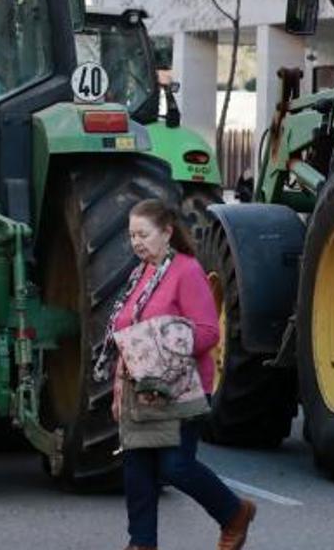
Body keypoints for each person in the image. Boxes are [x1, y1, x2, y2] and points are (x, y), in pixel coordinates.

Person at [96, 199, 256, 550]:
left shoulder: (187, 271)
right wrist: (119, 389)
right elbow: (128, 332)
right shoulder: (140, 274)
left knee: (175, 467)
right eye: (132, 235)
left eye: (143, 234)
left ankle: (234, 514)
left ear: (167, 232)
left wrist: (162, 342)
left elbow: (208, 332)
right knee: (137, 470)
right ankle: (141, 543)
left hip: (182, 389)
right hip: (140, 389)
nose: (136, 242)